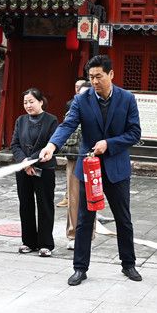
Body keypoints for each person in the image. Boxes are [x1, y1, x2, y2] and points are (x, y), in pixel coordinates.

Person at [38, 55, 143, 286]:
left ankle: (128, 264)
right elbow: (68, 125)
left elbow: (135, 133)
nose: (94, 81)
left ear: (111, 74)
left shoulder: (127, 99)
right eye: (91, 77)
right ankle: (80, 268)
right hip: (89, 169)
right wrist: (51, 146)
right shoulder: (81, 100)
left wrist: (109, 144)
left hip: (116, 168)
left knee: (123, 219)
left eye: (99, 76)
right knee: (84, 220)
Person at [11, 88, 59, 257]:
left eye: (31, 101)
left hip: (44, 169)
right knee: (25, 205)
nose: (28, 105)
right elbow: (15, 144)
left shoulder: (52, 120)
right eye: (25, 102)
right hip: (23, 169)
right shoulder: (21, 120)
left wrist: (31, 160)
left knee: (45, 205)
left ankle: (45, 244)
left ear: (40, 101)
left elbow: (51, 145)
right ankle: (28, 242)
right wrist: (24, 162)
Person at [60, 81, 95, 250]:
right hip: (74, 159)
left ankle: (89, 234)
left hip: (93, 161)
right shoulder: (71, 113)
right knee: (73, 198)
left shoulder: (98, 113)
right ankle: (73, 234)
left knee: (92, 198)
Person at [57, 77, 89, 209]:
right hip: (74, 151)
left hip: (90, 155)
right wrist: (54, 145)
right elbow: (66, 127)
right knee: (72, 186)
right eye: (77, 88)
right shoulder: (71, 105)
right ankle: (69, 201)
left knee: (90, 190)